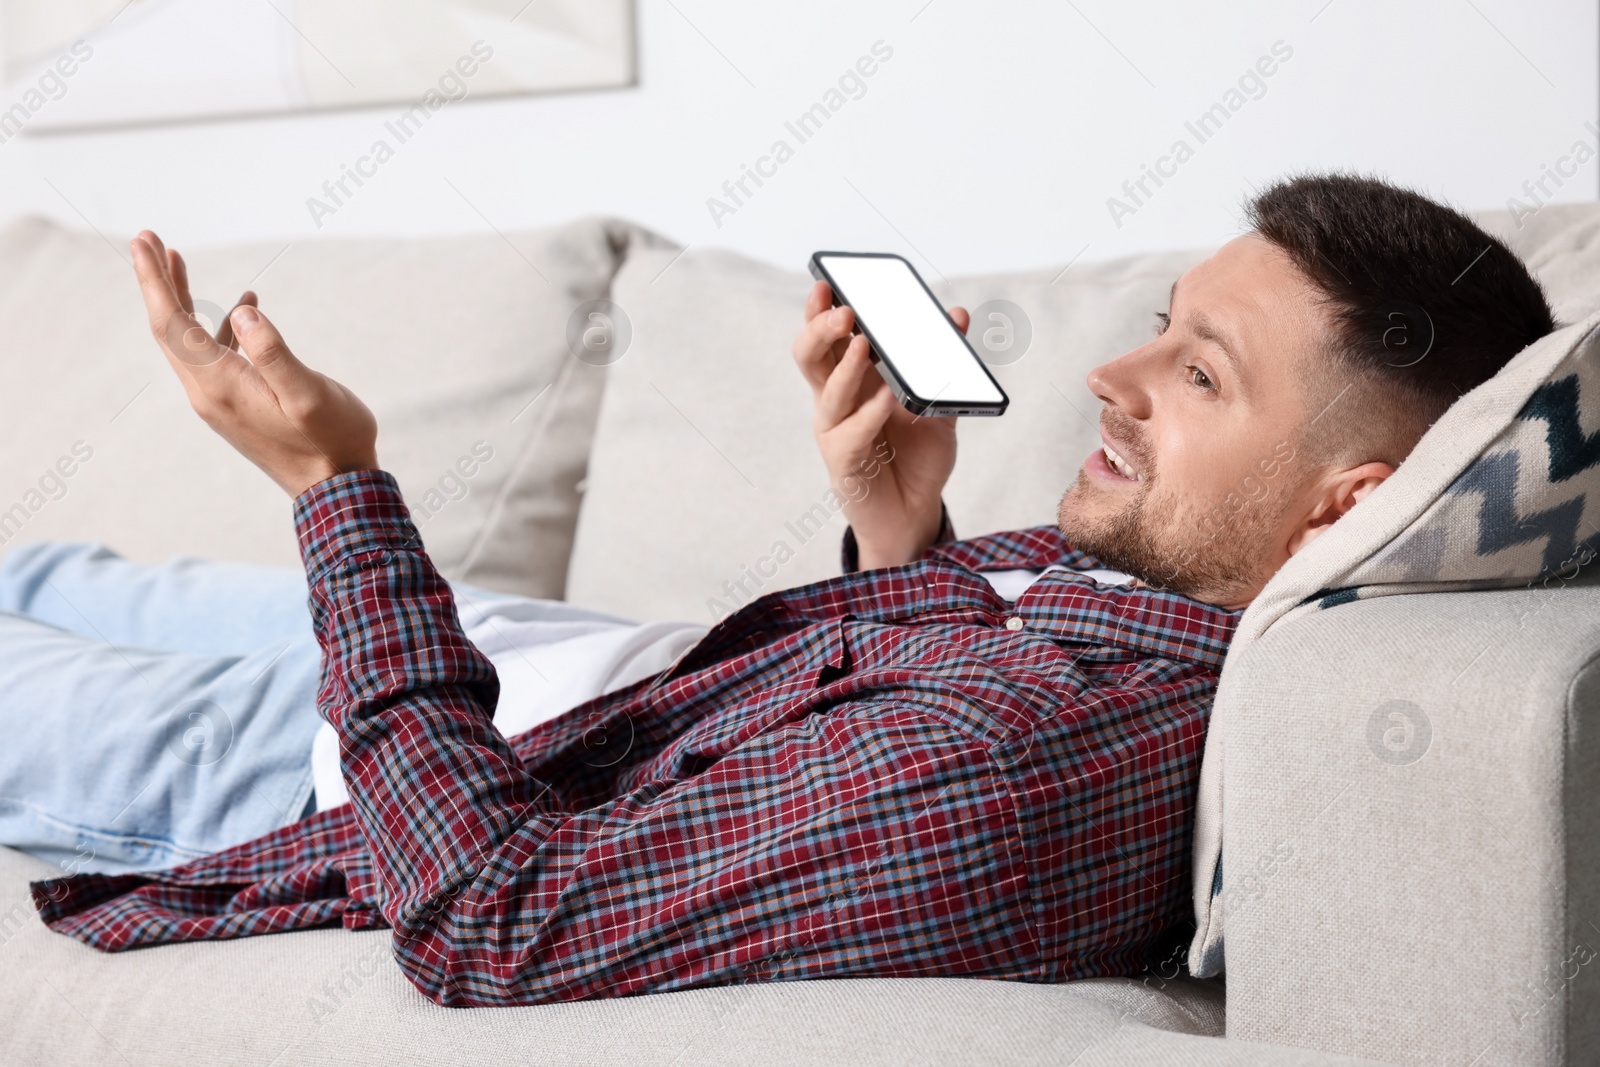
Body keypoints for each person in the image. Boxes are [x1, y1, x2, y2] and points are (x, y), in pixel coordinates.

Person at [20, 174, 1555, 1005]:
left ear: (1341, 508)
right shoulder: (1124, 599)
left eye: (1200, 373)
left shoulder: (1029, 768)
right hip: (525, 650)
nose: (1114, 372)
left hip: (346, 756)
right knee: (46, 570)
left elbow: (494, 919)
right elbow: (909, 687)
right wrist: (904, 534)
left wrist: (333, 494)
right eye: (1164, 322)